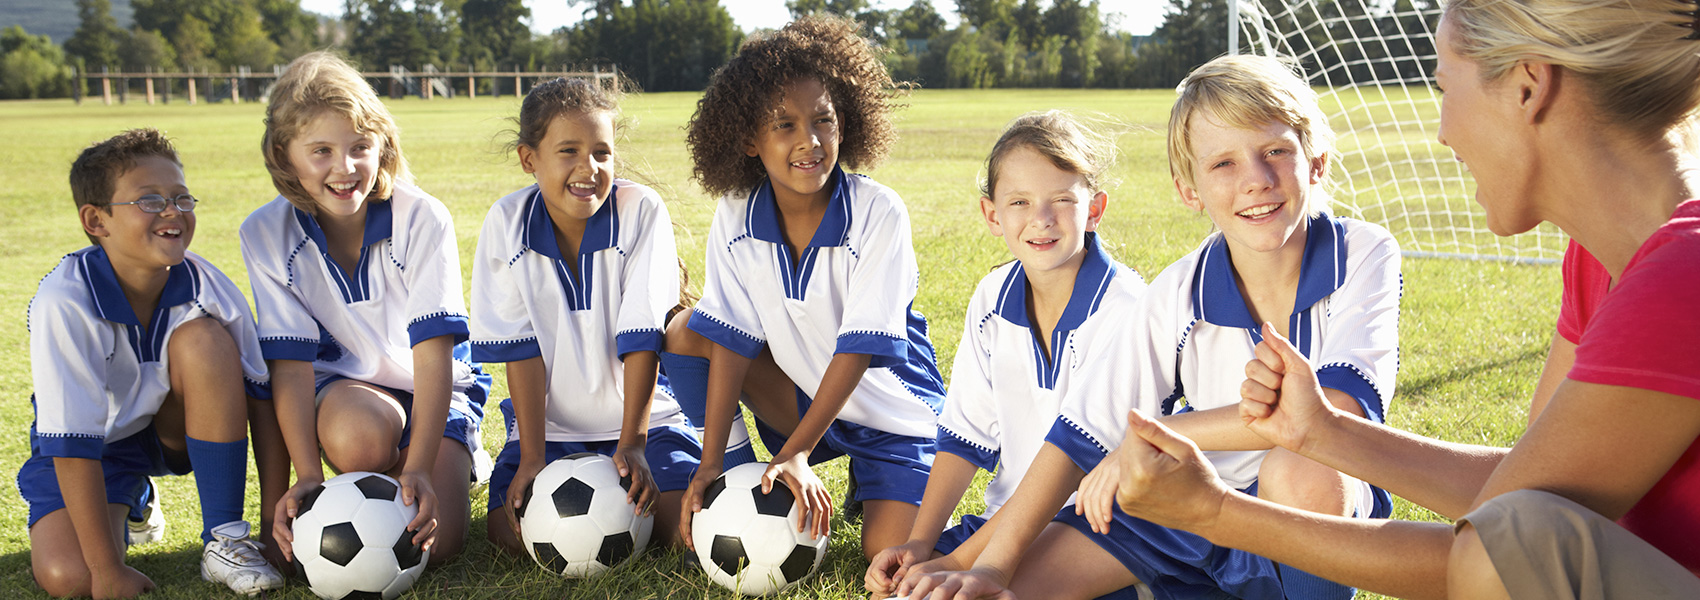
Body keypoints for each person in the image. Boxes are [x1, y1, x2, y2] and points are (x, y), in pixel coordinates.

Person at [1102, 1, 1700, 598]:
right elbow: (1528, 492)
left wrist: (1215, 512)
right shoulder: (1598, 262)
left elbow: (1499, 549)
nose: (1443, 133)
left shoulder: (1679, 279)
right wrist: (1322, 431)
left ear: (1527, 88)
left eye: (1444, 88)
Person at [901, 54, 1402, 600]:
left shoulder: (1362, 253)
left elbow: (1330, 414)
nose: (1256, 180)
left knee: (1297, 469)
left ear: (1317, 161)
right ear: (1190, 190)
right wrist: (989, 567)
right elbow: (1079, 436)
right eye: (1223, 164)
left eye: (1275, 151)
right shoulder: (1177, 291)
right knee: (989, 592)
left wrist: (1158, 435)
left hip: (1311, 502)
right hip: (1188, 510)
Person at [663, 14, 948, 562]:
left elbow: (858, 349)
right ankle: (739, 487)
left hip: (893, 417)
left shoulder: (878, 212)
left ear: (847, 122)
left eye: (823, 120)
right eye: (784, 125)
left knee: (892, 556)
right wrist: (712, 461)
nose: (809, 141)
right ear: (749, 139)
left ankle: (876, 478)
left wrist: (796, 451)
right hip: (801, 398)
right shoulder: (737, 213)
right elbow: (730, 337)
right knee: (687, 333)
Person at [863, 110, 1148, 597]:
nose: (1041, 219)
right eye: (1019, 202)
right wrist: (920, 544)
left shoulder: (1126, 309)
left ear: (1095, 209)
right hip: (1004, 523)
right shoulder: (992, 297)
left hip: (1097, 528)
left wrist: (957, 560)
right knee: (903, 587)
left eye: (1062, 199)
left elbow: (1076, 466)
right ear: (993, 215)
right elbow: (963, 436)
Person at [242, 51, 489, 569]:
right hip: (348, 395)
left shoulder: (422, 217)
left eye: (360, 147)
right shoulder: (265, 234)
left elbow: (434, 356)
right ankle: (375, 472)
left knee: (436, 546)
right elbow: (290, 367)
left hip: (433, 387)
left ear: (383, 146)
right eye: (321, 151)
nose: (345, 167)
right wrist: (308, 475)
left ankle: (449, 457)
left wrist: (419, 469)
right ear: (284, 155)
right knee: (358, 441)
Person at [21, 128, 285, 597]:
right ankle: (134, 498)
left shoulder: (208, 286)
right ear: (97, 220)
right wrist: (106, 571)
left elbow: (262, 399)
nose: (172, 211)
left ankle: (224, 539)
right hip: (91, 448)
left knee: (204, 340)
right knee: (71, 577)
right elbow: (71, 443)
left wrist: (272, 529)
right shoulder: (64, 300)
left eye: (182, 198)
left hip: (171, 433)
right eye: (149, 200)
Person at [471, 76, 705, 553]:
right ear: (529, 158)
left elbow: (642, 338)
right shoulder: (507, 222)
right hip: (551, 431)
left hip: (646, 425)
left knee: (686, 533)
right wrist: (532, 456)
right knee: (508, 539)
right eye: (569, 152)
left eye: (602, 152)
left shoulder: (640, 210)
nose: (589, 168)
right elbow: (522, 351)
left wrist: (632, 443)